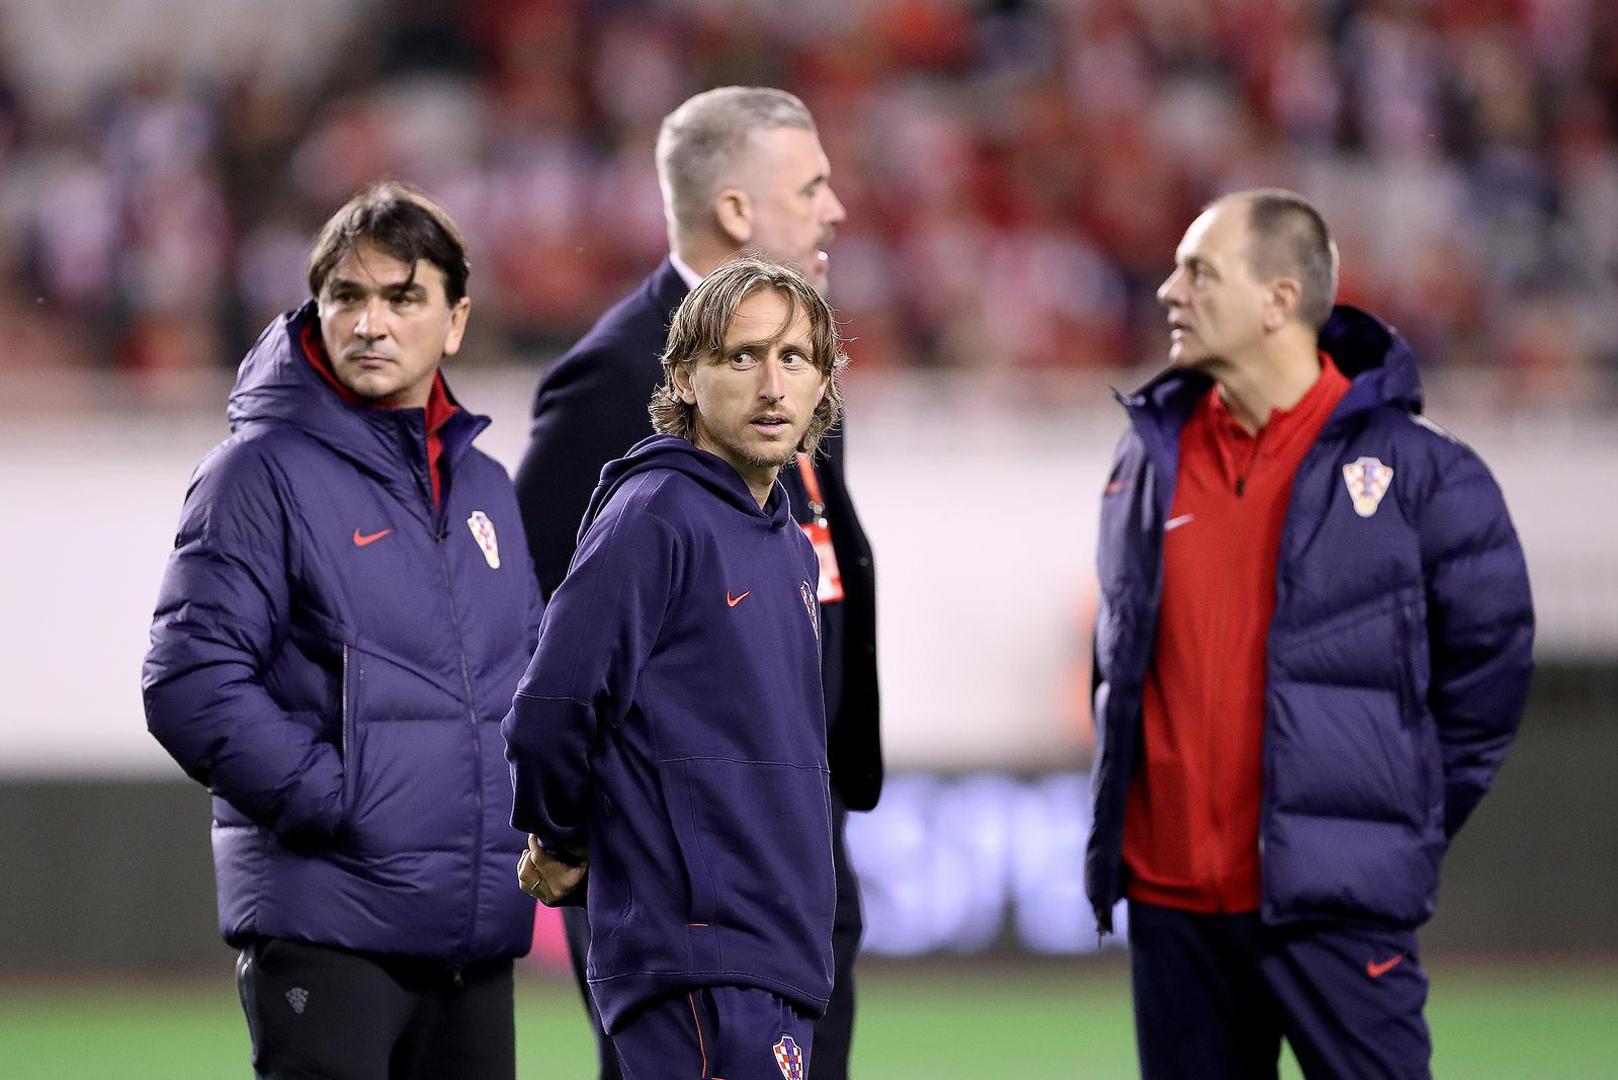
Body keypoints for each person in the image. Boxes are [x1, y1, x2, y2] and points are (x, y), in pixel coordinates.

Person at [1085, 189, 1535, 1079]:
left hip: (1333, 907)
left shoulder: (1423, 472)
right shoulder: (1147, 456)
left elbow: (1490, 674)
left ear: (1279, 301)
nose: (1170, 292)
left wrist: (1388, 824)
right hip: (1173, 909)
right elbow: (1121, 655)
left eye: (1199, 272)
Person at [513, 85, 880, 1080]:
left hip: (792, 839)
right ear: (735, 211)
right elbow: (535, 629)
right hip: (681, 866)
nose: (835, 210)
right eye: (811, 186)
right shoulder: (615, 376)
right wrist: (570, 826)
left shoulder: (795, 367)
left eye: (793, 364)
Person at [142, 182, 542, 1080]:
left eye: (403, 298)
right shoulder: (256, 472)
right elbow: (189, 682)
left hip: (471, 938)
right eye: (346, 297)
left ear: (456, 321)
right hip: (328, 926)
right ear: (315, 311)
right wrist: (341, 800)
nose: (371, 323)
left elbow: (525, 682)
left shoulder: (483, 489)